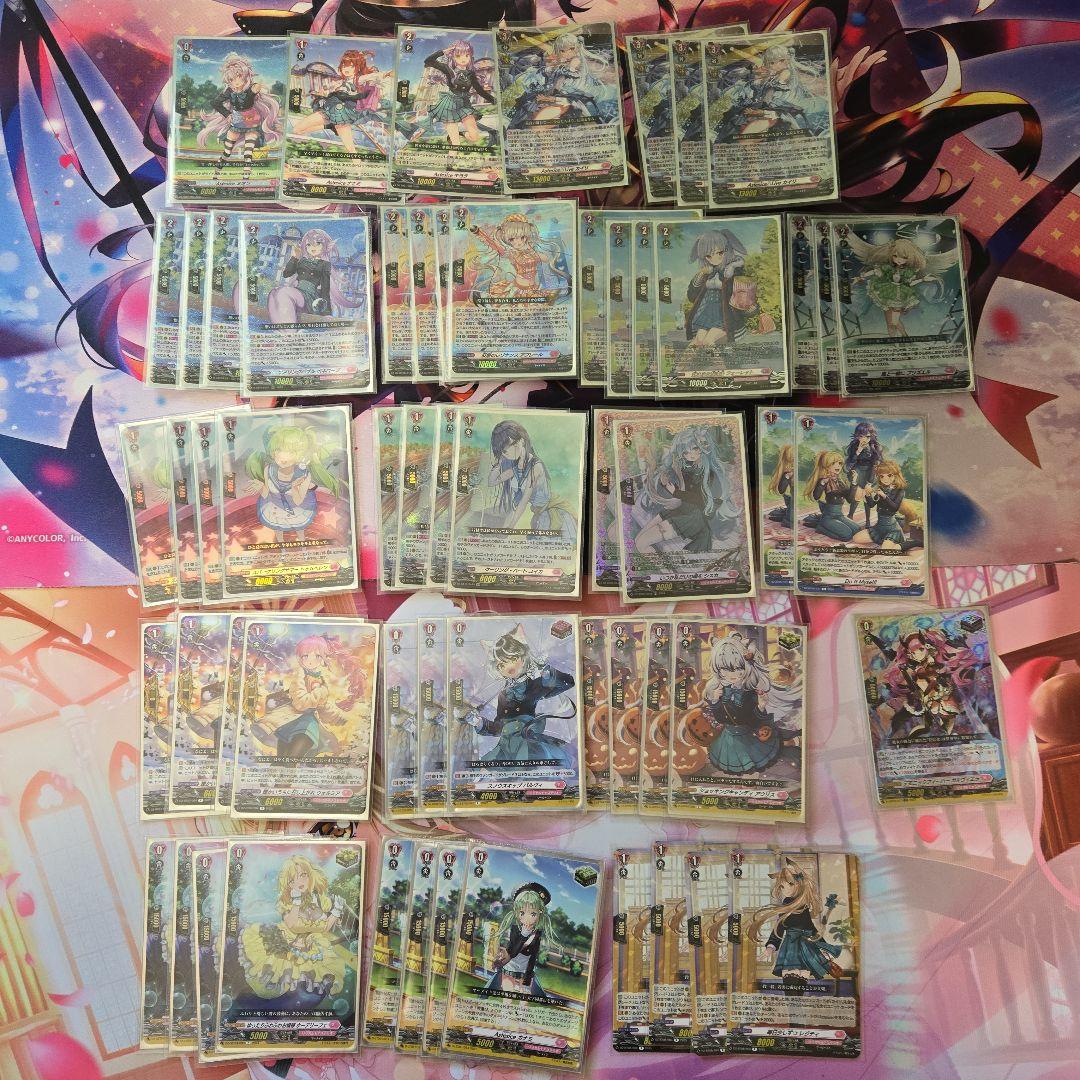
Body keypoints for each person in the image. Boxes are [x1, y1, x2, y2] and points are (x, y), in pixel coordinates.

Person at [460, 625, 576, 766]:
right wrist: (478, 722)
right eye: (501, 665)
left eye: (512, 658)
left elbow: (568, 683)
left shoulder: (533, 684)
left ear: (523, 657)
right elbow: (498, 728)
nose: (507, 666)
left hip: (526, 738)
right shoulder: (504, 694)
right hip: (506, 746)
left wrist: (546, 673)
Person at [238, 855, 350, 998]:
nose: (299, 882)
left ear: (310, 876)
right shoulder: (287, 902)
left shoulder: (320, 901)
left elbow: (324, 928)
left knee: (319, 970)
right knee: (276, 975)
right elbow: (292, 925)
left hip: (311, 945)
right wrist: (296, 902)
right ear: (289, 884)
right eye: (292, 880)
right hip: (285, 941)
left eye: (303, 875)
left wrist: (336, 911)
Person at [746, 858, 843, 996]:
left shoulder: (803, 906)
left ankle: (796, 1009)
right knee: (792, 992)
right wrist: (771, 947)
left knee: (797, 992)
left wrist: (824, 947)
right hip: (792, 950)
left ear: (797, 885)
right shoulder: (786, 906)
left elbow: (811, 929)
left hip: (804, 950)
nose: (783, 889)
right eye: (781, 886)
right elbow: (779, 928)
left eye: (787, 884)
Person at [633, 425, 736, 554]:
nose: (690, 454)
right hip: (682, 510)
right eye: (685, 452)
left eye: (695, 448)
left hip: (696, 519)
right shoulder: (689, 467)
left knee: (642, 543)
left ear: (704, 447)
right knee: (637, 539)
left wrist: (677, 493)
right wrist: (667, 483)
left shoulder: (712, 474)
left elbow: (704, 501)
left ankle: (663, 566)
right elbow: (682, 491)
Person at [245, 423, 342, 542]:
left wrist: (294, 487)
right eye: (279, 450)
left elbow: (298, 501)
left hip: (297, 508)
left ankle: (303, 548)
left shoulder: (304, 474)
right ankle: (282, 549)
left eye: (291, 452)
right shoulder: (269, 470)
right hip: (275, 508)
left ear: (300, 455)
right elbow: (266, 495)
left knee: (300, 532)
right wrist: (261, 486)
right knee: (278, 531)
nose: (283, 457)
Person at [484, 419, 576, 539]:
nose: (505, 453)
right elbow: (492, 482)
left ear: (521, 441)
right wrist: (499, 462)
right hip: (539, 513)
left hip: (552, 512)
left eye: (506, 448)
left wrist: (509, 529)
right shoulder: (516, 467)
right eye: (502, 450)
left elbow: (523, 501)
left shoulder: (535, 466)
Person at [198, 53, 281, 181]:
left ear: (245, 77)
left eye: (239, 77)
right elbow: (215, 103)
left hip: (252, 122)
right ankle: (216, 175)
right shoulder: (229, 91)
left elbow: (254, 90)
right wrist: (227, 114)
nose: (236, 82)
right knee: (227, 152)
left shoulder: (250, 90)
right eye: (231, 80)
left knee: (248, 153)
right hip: (236, 122)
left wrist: (256, 87)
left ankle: (245, 179)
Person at [291, 49, 388, 153]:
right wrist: (322, 91)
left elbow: (374, 76)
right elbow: (328, 87)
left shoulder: (358, 79)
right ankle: (330, 125)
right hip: (332, 110)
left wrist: (388, 73)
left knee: (351, 150)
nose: (346, 69)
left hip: (343, 112)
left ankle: (332, 125)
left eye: (351, 66)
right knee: (297, 130)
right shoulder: (341, 81)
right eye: (344, 65)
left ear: (357, 67)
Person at [470, 213, 569, 299]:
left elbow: (546, 259)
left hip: (533, 289)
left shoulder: (532, 252)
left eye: (522, 237)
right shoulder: (511, 253)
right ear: (508, 240)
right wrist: (481, 235)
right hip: (517, 289)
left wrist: (531, 251)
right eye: (512, 239)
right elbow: (496, 246)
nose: (518, 242)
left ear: (526, 236)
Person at [488, 882, 559, 997]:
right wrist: (524, 934)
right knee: (507, 997)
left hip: (524, 969)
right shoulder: (515, 929)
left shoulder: (537, 934)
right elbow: (513, 951)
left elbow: (533, 957)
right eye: (522, 912)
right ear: (517, 912)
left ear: (540, 914)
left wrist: (527, 979)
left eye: (533, 914)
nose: (527, 917)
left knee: (524, 1000)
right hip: (510, 966)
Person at [422, 40, 494, 146]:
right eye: (458, 56)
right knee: (456, 144)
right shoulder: (448, 69)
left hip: (464, 105)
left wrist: (493, 100)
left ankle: (461, 134)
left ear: (470, 56)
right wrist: (443, 52)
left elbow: (479, 90)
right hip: (449, 105)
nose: (463, 59)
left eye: (467, 55)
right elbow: (428, 61)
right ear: (453, 57)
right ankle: (453, 144)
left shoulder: (471, 74)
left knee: (474, 137)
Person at [766, 443, 794, 528]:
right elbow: (781, 490)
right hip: (790, 499)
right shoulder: (787, 472)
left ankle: (782, 515)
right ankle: (783, 515)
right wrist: (787, 477)